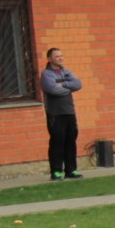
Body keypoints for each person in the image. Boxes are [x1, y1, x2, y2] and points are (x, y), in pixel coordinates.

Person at [40, 48, 84, 181]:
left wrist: (62, 84)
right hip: (55, 113)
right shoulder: (46, 74)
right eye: (57, 56)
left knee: (70, 140)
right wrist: (68, 88)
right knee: (57, 142)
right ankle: (56, 171)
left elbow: (78, 84)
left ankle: (71, 170)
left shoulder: (66, 72)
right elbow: (53, 90)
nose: (60, 58)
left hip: (69, 111)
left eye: (61, 56)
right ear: (50, 59)